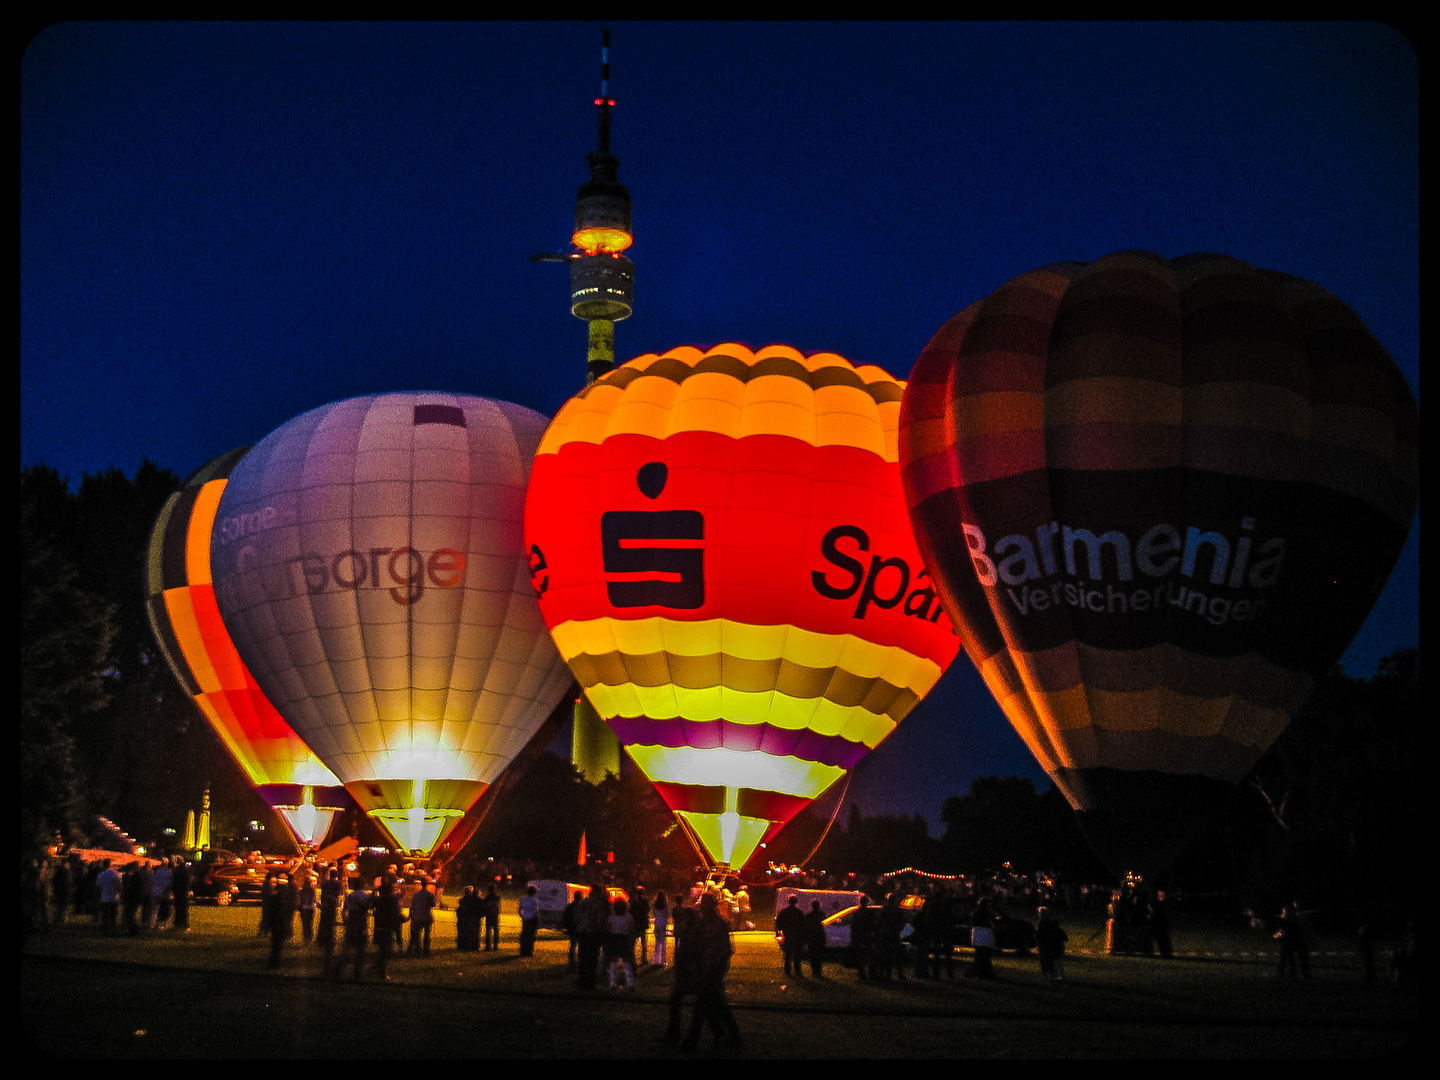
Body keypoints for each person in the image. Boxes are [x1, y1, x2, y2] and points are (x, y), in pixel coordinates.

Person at [682, 893, 742, 1052]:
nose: (702, 907)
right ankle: (726, 1036)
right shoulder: (705, 923)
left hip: (712, 969)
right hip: (706, 969)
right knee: (714, 1005)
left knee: (704, 1006)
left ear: (712, 906)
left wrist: (712, 968)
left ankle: (693, 1041)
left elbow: (721, 949)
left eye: (705, 904)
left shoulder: (717, 924)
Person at [661, 891, 699, 1045]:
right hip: (689, 974)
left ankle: (678, 1036)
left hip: (689, 974)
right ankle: (681, 1036)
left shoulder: (692, 934)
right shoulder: (692, 933)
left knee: (682, 1004)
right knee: (704, 1007)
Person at [576, 883, 611, 990]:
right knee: (592, 959)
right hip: (593, 933)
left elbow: (576, 916)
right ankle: (590, 983)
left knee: (583, 958)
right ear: (597, 892)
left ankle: (581, 982)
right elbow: (600, 920)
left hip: (582, 932)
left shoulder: (582, 902)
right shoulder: (598, 904)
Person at [342, 879, 372, 980]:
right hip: (360, 920)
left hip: (351, 919)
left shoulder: (350, 895)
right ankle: (357, 971)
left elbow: (345, 908)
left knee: (348, 945)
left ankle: (342, 968)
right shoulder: (365, 895)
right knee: (361, 946)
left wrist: (345, 920)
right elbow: (367, 907)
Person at [606, 897, 638, 989]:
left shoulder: (611, 917)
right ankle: (630, 983)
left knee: (613, 962)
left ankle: (612, 983)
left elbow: (608, 927)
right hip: (625, 939)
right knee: (627, 962)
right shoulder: (629, 917)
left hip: (614, 938)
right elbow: (632, 928)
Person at [1275, 901, 1312, 980]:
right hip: (1290, 943)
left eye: (1284, 911)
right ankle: (1291, 975)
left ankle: (1294, 975)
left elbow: (1289, 931)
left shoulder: (1293, 920)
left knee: (1292, 960)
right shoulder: (1289, 920)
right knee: (1289, 960)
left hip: (1292, 942)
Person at [267, 873, 296, 969]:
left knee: (275, 945)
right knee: (278, 945)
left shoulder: (274, 898)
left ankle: (274, 961)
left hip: (276, 925)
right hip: (279, 925)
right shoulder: (282, 900)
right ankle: (275, 961)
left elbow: (271, 913)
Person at [776, 895, 807, 977]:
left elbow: (778, 922)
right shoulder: (798, 912)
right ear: (796, 902)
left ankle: (787, 971)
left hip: (788, 934)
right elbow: (803, 924)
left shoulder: (784, 912)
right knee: (797, 955)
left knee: (788, 955)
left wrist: (782, 929)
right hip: (797, 936)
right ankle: (797, 971)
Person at [968, 897, 998, 979]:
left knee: (979, 954)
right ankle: (986, 972)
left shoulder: (975, 912)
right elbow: (992, 921)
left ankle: (978, 972)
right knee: (986, 954)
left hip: (977, 934)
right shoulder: (987, 912)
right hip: (985, 934)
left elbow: (973, 922)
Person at [317, 868, 342, 970]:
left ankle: (322, 937)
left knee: (323, 921)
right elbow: (338, 894)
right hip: (331, 904)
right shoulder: (337, 884)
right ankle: (328, 936)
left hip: (325, 904)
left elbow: (322, 893)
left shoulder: (325, 883)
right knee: (331, 921)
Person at [1036, 906, 1068, 981]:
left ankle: (1052, 974)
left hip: (1046, 945)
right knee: (1053, 961)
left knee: (1049, 960)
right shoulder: (1047, 923)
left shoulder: (1044, 923)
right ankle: (1055, 974)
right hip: (1049, 945)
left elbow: (1042, 934)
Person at [850, 894, 877, 980]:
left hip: (859, 936)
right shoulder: (870, 913)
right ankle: (871, 974)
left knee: (860, 957)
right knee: (870, 955)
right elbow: (873, 924)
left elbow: (853, 926)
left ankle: (862, 974)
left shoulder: (857, 913)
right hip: (868, 936)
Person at [408, 879, 437, 956]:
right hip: (426, 916)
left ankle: (417, 950)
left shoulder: (416, 894)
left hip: (418, 916)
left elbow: (413, 906)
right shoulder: (429, 894)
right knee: (427, 935)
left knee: (417, 934)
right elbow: (433, 904)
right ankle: (426, 951)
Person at [97, 860, 122, 936]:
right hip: (114, 897)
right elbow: (120, 885)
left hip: (105, 897)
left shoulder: (102, 874)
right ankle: (114, 930)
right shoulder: (115, 874)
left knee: (105, 915)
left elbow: (98, 885)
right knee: (113, 915)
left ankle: (106, 930)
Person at [455, 885, 482, 952]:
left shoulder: (463, 900)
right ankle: (472, 946)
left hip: (464, 919)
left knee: (463, 932)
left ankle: (462, 946)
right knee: (473, 932)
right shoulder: (469, 900)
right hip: (470, 918)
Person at [805, 899, 827, 978]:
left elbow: (806, 927)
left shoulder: (809, 915)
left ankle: (814, 971)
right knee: (819, 955)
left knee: (813, 955)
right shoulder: (822, 914)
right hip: (819, 936)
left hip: (812, 937)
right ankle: (818, 971)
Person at [517, 884, 540, 957]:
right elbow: (535, 910)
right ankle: (529, 951)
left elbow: (520, 909)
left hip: (525, 918)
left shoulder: (522, 899)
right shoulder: (534, 900)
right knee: (531, 936)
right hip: (532, 919)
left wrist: (522, 915)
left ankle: (523, 950)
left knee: (524, 935)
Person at [296, 870, 318, 944]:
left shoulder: (301, 890)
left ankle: (306, 937)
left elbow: (299, 899)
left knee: (304, 924)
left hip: (303, 908)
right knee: (309, 923)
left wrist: (300, 905)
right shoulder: (312, 890)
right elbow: (313, 899)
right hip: (310, 908)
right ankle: (310, 937)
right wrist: (314, 904)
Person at [631, 885, 651, 964]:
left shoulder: (634, 902)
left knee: (634, 942)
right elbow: (647, 910)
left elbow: (631, 911)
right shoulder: (644, 901)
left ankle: (634, 959)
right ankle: (644, 959)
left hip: (636, 923)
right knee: (643, 942)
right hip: (642, 922)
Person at [169, 856, 190, 932]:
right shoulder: (183, 870)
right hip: (181, 892)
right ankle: (179, 924)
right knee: (180, 909)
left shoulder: (180, 871)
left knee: (181, 909)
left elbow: (177, 882)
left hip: (180, 892)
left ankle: (183, 924)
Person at [651, 891, 670, 968]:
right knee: (663, 942)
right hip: (663, 923)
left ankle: (655, 960)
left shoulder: (655, 905)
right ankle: (662, 960)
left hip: (657, 922)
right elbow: (668, 914)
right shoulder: (665, 905)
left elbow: (653, 913)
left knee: (657, 941)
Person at [482, 885, 501, 951]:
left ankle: (488, 946)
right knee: (495, 931)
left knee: (488, 931)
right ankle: (495, 946)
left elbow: (484, 906)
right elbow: (498, 906)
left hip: (489, 915)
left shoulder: (487, 897)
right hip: (495, 915)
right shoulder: (497, 897)